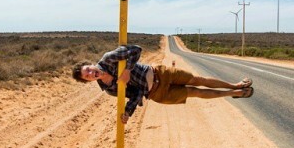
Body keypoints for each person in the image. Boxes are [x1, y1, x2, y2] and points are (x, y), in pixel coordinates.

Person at [72, 45, 253, 124]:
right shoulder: (109, 89)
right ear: (89, 81)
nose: (90, 73)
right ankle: (233, 94)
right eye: (87, 76)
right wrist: (127, 112)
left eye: (88, 69)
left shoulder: (108, 59)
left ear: (90, 64)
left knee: (199, 80)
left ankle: (235, 85)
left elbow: (135, 50)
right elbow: (134, 94)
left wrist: (126, 70)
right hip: (157, 94)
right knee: (195, 92)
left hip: (160, 73)